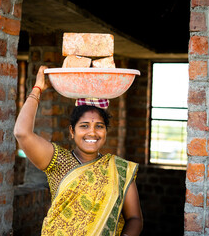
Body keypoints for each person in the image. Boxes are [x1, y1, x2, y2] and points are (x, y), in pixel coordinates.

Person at [14, 65, 143, 236]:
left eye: (99, 126)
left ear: (105, 132)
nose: (92, 132)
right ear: (72, 131)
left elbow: (135, 218)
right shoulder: (58, 160)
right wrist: (37, 89)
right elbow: (22, 133)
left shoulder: (120, 170)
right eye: (84, 126)